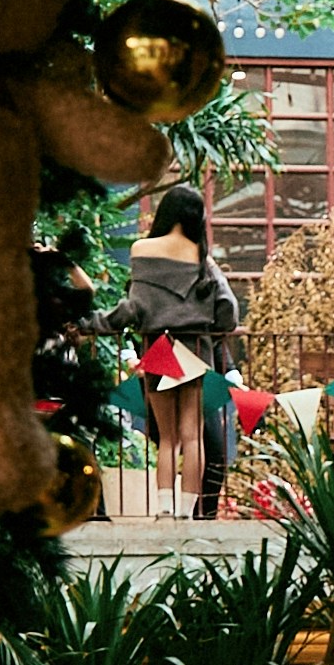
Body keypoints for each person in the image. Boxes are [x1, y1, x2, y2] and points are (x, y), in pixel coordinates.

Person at [127, 181, 244, 515]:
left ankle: (165, 510)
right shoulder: (201, 258)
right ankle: (187, 511)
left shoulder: (142, 251)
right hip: (194, 350)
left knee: (167, 439)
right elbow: (229, 311)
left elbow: (134, 307)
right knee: (192, 436)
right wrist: (210, 330)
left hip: (158, 347)